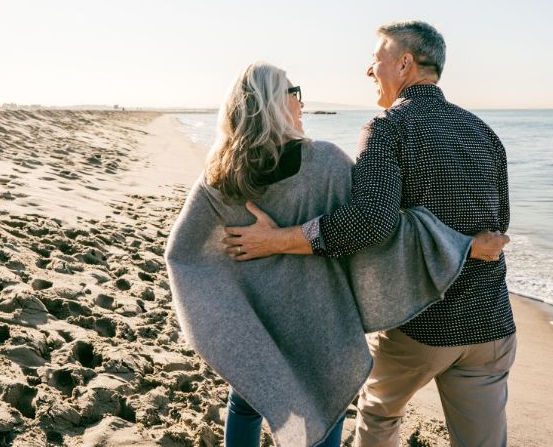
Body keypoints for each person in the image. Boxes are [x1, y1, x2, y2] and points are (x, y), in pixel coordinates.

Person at [165, 61, 507, 447]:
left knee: (246, 401)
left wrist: (227, 309)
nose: (301, 104)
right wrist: (463, 244)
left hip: (257, 318)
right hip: (321, 318)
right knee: (326, 405)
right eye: (295, 94)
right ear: (276, 103)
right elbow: (379, 229)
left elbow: (183, 254)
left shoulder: (220, 174)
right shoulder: (324, 163)